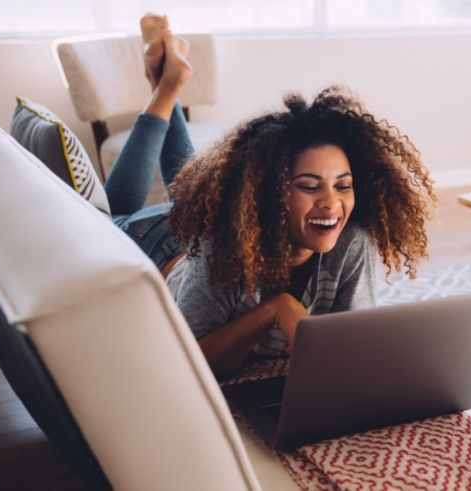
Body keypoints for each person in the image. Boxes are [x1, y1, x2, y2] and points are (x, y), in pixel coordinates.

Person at [107, 14, 436, 377]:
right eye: (310, 186)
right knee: (110, 215)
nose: (331, 202)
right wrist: (273, 309)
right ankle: (166, 89)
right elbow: (191, 366)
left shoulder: (352, 243)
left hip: (199, 225)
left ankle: (165, 80)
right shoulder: (222, 246)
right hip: (160, 246)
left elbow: (353, 351)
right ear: (270, 193)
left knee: (187, 189)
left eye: (343, 185)